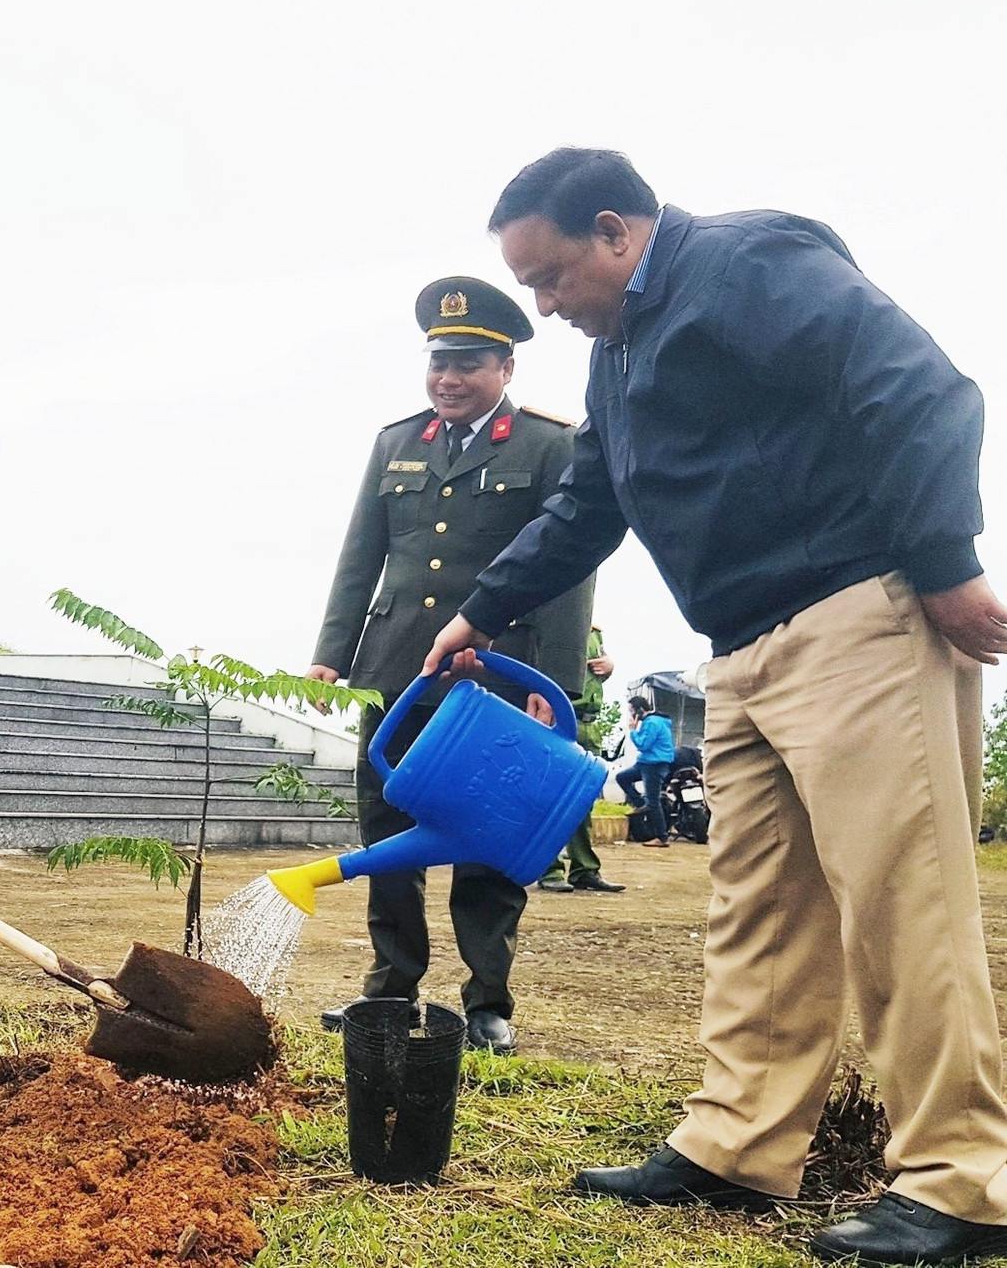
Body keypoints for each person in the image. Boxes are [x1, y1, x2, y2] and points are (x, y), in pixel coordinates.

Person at [423, 148, 1007, 1264]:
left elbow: (916, 384)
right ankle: (737, 1143)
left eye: (549, 279)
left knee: (901, 902)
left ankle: (961, 1182)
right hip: (739, 650)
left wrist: (942, 558)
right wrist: (483, 611)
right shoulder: (617, 355)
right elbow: (588, 503)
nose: (545, 307)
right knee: (758, 912)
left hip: (858, 616)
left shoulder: (747, 264)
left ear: (615, 232)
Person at [308, 276, 595, 1054]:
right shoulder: (395, 443)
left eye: (468, 363)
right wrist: (334, 654)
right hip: (398, 668)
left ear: (505, 369)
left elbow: (568, 570)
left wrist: (558, 684)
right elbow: (362, 552)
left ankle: (486, 1004)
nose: (449, 378)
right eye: (439, 362)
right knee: (386, 828)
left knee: (489, 841)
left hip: (499, 678)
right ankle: (390, 987)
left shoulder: (549, 444)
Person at [538, 624, 625, 892]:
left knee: (584, 800)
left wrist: (609, 667)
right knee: (551, 799)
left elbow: (591, 674)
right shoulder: (556, 623)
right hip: (561, 721)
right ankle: (549, 869)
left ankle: (584, 869)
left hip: (590, 724)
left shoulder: (594, 630)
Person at [615, 694, 675, 848]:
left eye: (632, 711)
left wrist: (633, 731)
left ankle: (662, 837)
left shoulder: (652, 723)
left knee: (654, 802)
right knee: (622, 777)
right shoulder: (656, 721)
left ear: (640, 710)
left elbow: (643, 744)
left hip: (654, 764)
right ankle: (641, 803)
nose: (631, 715)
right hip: (645, 763)